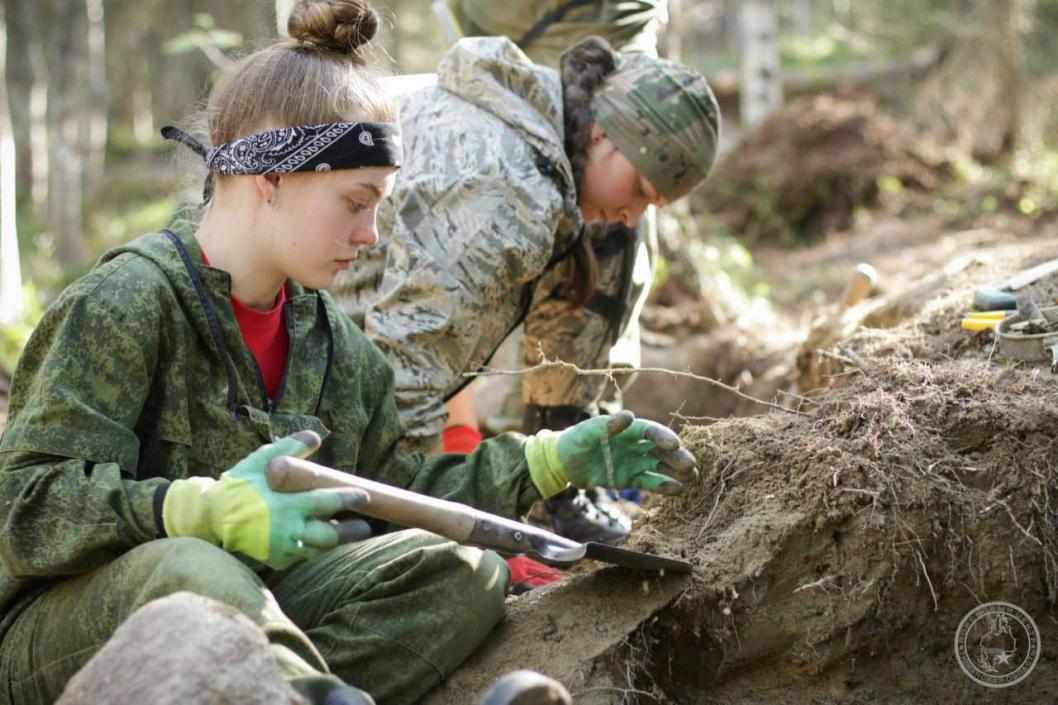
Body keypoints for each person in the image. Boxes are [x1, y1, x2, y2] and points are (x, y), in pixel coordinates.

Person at [0, 2, 698, 704]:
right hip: (81, 630)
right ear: (269, 178)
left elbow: (395, 491)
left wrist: (545, 462)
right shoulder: (127, 302)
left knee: (462, 571)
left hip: (255, 602)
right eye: (355, 202)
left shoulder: (331, 341)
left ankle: (305, 693)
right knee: (191, 569)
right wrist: (188, 510)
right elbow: (23, 508)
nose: (370, 235)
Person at [329, 32, 720, 545]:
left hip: (348, 342)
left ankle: (559, 471)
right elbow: (404, 378)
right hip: (293, 374)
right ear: (603, 133)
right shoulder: (507, 191)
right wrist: (448, 526)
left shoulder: (543, 133)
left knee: (611, 242)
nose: (632, 213)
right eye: (641, 191)